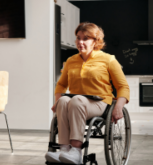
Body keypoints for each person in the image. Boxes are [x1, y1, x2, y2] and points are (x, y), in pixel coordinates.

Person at [45, 22, 130, 164]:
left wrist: (118, 107)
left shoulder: (108, 59)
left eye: (85, 38)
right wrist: (57, 101)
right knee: (64, 101)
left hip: (99, 104)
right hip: (74, 103)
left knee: (76, 100)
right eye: (78, 38)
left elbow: (123, 86)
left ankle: (76, 151)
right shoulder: (71, 61)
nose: (80, 42)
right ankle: (64, 150)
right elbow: (61, 84)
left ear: (95, 41)